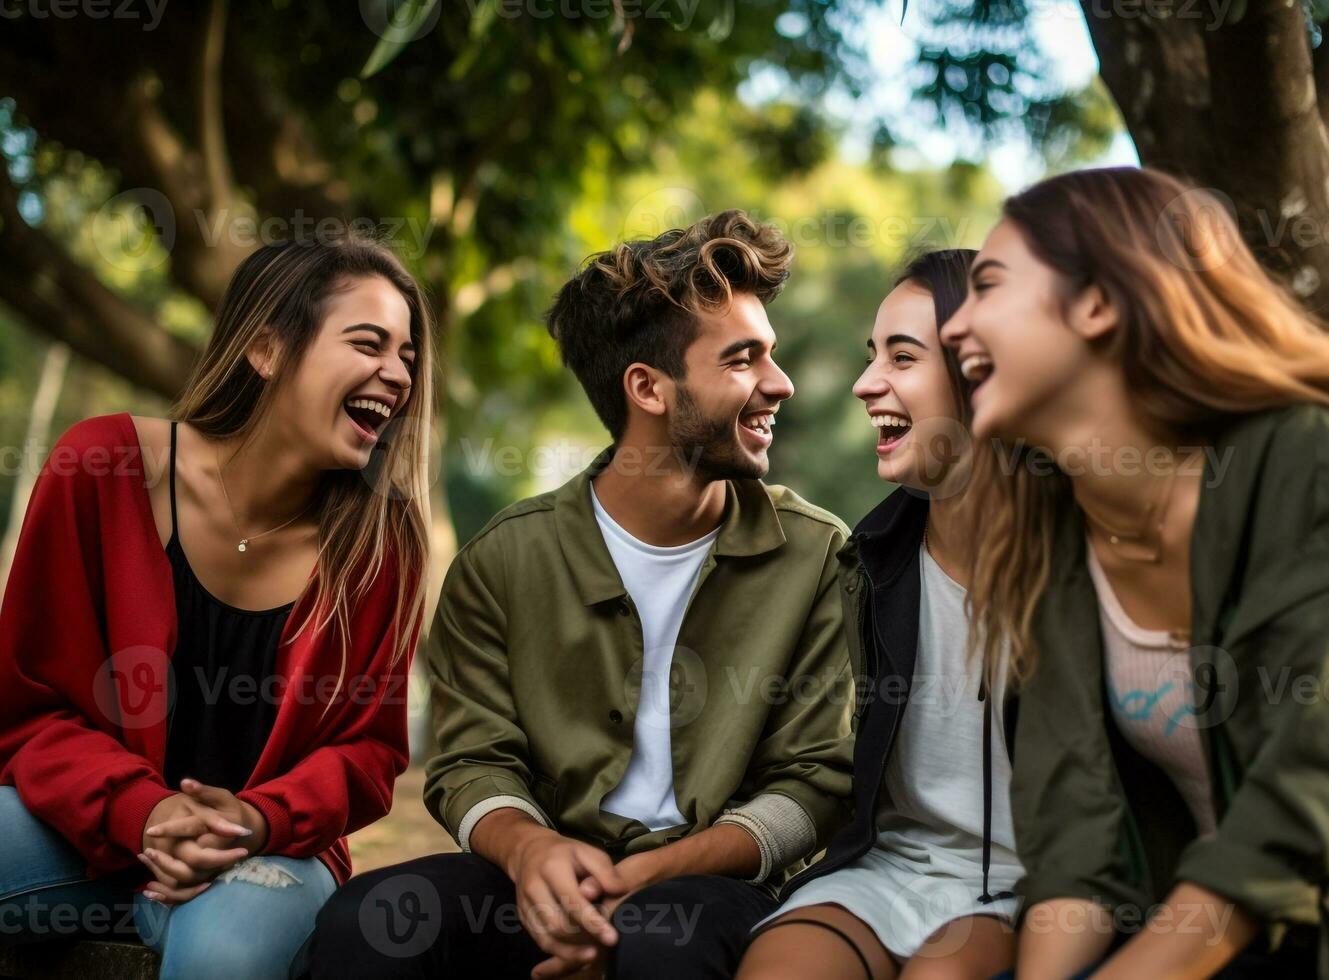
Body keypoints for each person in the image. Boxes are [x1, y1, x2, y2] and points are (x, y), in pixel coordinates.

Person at [307, 210, 856, 979]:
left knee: (662, 948)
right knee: (365, 926)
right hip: (533, 875)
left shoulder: (819, 555)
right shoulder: (503, 561)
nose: (779, 383)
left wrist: (639, 879)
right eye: (743, 360)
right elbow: (470, 761)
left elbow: (816, 781)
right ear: (648, 389)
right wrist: (534, 854)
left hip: (716, 888)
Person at [0, 235, 432, 979]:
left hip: (271, 854)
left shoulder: (383, 543)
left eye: (407, 358)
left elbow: (368, 754)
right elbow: (27, 710)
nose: (396, 374)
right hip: (85, 830)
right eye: (369, 343)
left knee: (225, 957)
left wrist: (255, 818)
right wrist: (148, 811)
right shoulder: (100, 468)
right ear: (265, 349)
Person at [939, 166, 1329, 977]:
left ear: (1097, 302)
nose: (955, 326)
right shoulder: (1046, 535)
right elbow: (1073, 844)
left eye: (987, 285)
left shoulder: (1302, 462)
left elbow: (1305, 790)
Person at [736, 249, 1022, 980]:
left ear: (981, 370)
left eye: (902, 356)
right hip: (890, 868)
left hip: (1036, 887)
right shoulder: (869, 560)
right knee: (779, 966)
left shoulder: (1080, 560)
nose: (867, 384)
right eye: (871, 356)